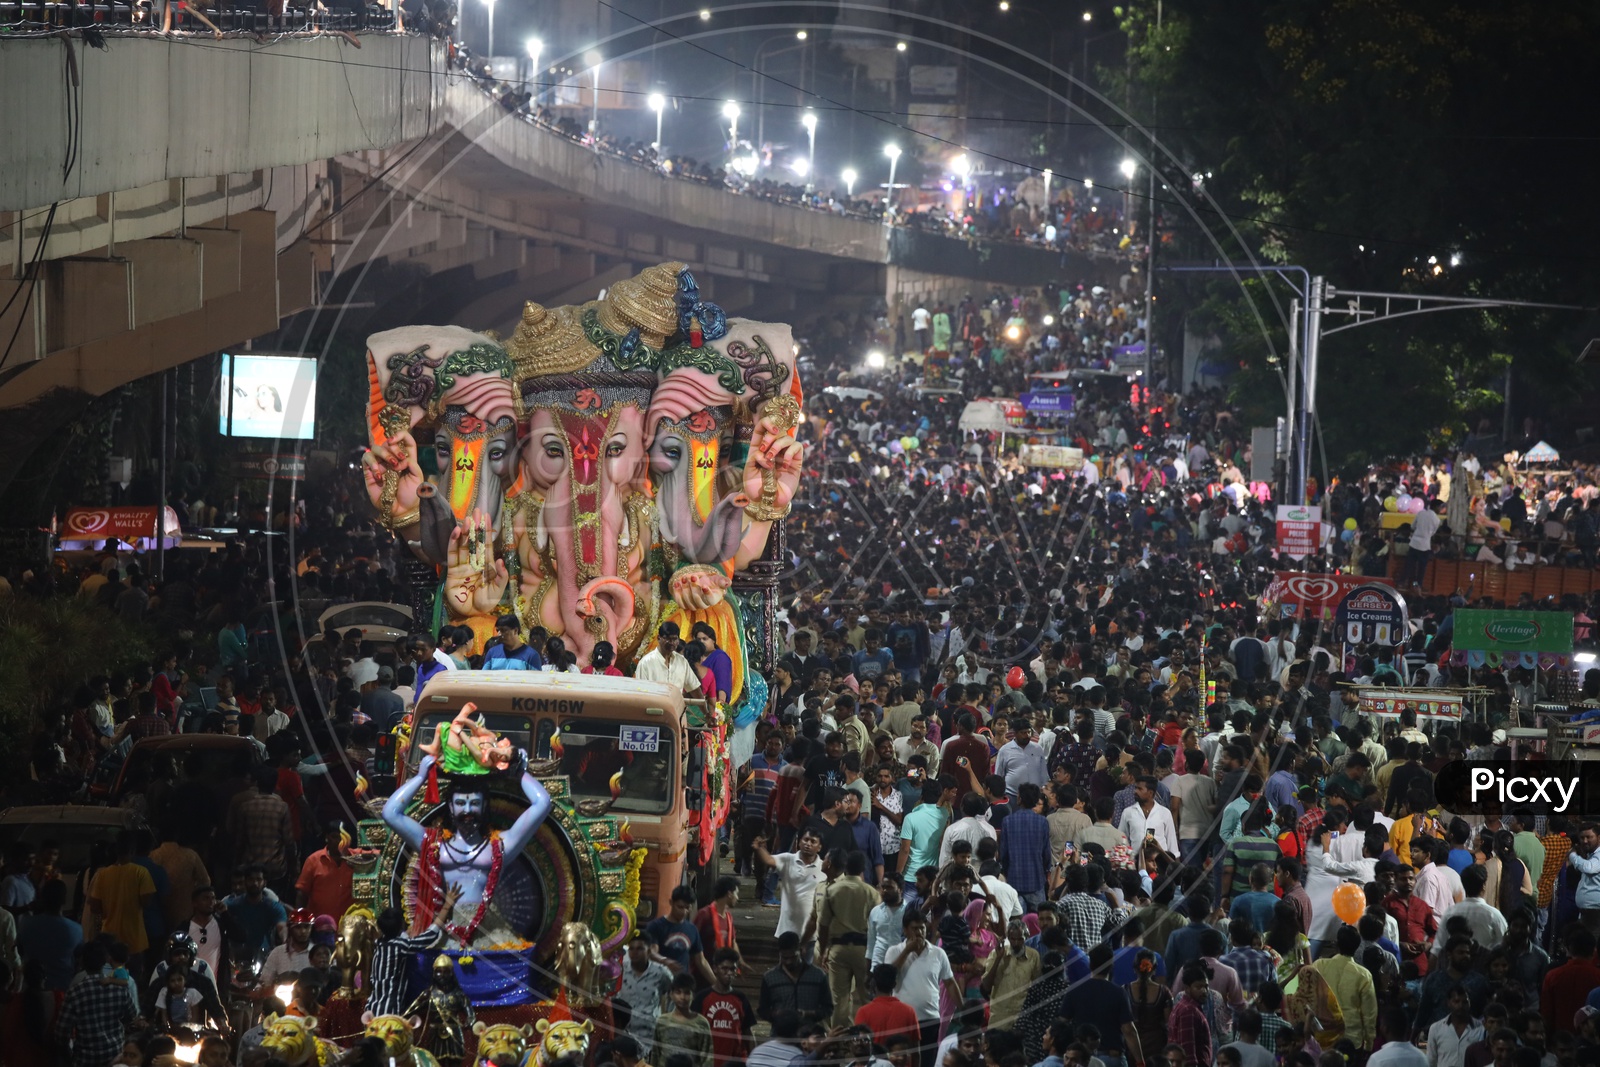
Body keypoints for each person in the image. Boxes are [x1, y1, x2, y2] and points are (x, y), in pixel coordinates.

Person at [367, 886, 464, 1016]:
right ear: (401, 925)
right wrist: (447, 905)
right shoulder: (399, 946)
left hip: (372, 1008)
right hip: (388, 1012)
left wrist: (405, 933)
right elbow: (430, 936)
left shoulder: (379, 944)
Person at [883, 910, 962, 1067]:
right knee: (903, 1062)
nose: (919, 932)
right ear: (905, 930)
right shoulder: (894, 951)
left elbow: (950, 983)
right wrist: (907, 951)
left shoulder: (938, 953)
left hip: (930, 1017)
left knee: (927, 1061)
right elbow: (887, 978)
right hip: (903, 1019)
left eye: (922, 928)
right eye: (914, 928)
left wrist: (962, 1009)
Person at [54, 942, 137, 1067]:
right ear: (105, 962)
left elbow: (61, 1033)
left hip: (85, 1060)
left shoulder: (75, 993)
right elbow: (132, 1016)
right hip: (116, 1056)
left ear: (82, 962)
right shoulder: (119, 988)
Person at [86, 831, 156, 967]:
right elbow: (146, 902)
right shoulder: (141, 872)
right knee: (132, 981)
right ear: (132, 850)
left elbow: (94, 907)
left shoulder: (103, 874)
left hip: (109, 938)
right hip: (134, 939)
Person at [695, 948, 755, 1067]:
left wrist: (753, 1059)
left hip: (736, 1062)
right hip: (709, 1062)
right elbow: (694, 1033)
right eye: (724, 968)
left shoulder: (740, 998)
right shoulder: (702, 998)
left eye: (732, 969)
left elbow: (747, 1033)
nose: (729, 973)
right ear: (715, 969)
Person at [647, 885, 717, 987]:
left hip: (682, 985)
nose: (683, 912)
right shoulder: (656, 926)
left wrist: (716, 984)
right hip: (658, 983)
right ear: (671, 903)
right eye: (680, 907)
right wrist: (665, 961)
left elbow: (701, 961)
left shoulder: (692, 929)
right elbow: (652, 952)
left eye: (687, 908)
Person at [758, 931, 833, 1025]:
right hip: (781, 1035)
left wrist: (808, 1014)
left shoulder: (818, 976)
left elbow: (828, 1009)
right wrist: (776, 1015)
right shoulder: (769, 978)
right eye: (784, 958)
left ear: (801, 951)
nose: (788, 962)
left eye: (793, 957)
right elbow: (763, 1010)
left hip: (809, 1034)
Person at [621, 932, 675, 1058]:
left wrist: (667, 1020)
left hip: (649, 1035)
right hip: (625, 1032)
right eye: (631, 949)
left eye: (640, 948)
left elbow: (673, 995)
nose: (635, 952)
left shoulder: (661, 972)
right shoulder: (621, 970)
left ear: (649, 951)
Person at [653, 973, 715, 1067]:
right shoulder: (662, 1021)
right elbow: (655, 1054)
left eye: (687, 993)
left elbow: (707, 1058)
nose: (682, 997)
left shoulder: (701, 1023)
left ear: (693, 995)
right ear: (671, 994)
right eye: (678, 992)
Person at [855, 963, 919, 1046]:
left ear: (874, 984)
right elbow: (915, 1049)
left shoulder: (863, 1012)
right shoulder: (910, 1012)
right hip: (901, 1058)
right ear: (894, 985)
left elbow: (858, 1045)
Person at [636, 622, 702, 695]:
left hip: (676, 706)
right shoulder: (645, 663)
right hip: (654, 706)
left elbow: (694, 687)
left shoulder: (682, 661)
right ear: (659, 638)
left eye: (674, 639)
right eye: (668, 639)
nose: (672, 643)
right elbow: (640, 693)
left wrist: (703, 705)